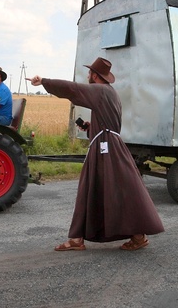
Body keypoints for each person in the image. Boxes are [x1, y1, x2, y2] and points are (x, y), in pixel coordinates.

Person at [27, 57, 164, 251]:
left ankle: (84, 238)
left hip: (106, 147)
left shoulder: (100, 91)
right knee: (112, 190)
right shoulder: (111, 93)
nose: (88, 76)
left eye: (90, 73)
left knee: (104, 189)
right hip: (107, 144)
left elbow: (72, 89)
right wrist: (91, 128)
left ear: (95, 75)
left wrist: (44, 82)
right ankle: (132, 236)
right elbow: (109, 124)